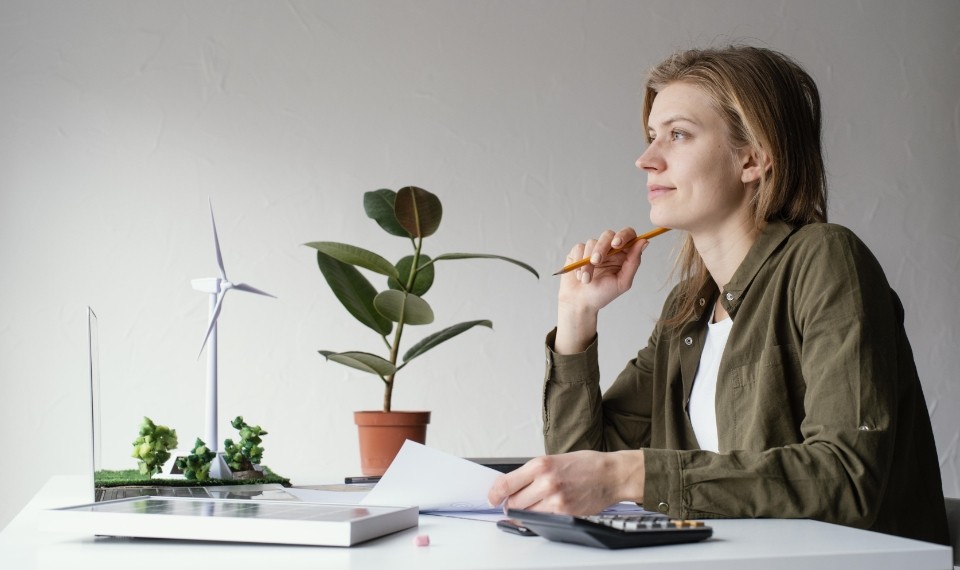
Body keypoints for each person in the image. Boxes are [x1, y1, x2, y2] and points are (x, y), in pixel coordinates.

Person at [487, 45, 948, 545]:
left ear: (752, 158)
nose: (646, 159)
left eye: (678, 135)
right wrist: (576, 317)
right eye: (650, 137)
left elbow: (846, 477)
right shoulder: (686, 312)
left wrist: (631, 475)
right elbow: (581, 469)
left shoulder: (826, 259)